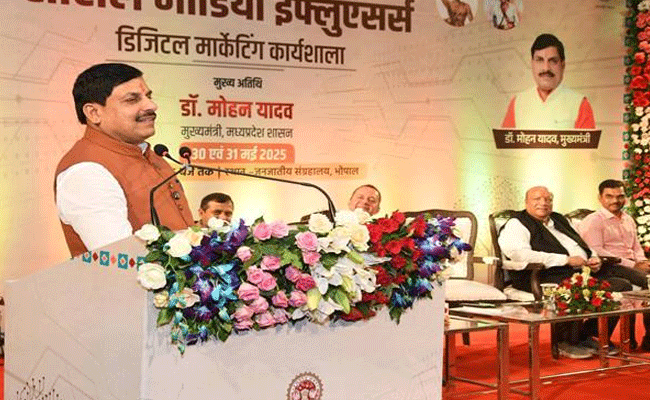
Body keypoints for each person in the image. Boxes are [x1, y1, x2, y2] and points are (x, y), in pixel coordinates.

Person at [55, 63, 194, 257]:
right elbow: (120, 257)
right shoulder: (85, 171)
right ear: (94, 113)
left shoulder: (148, 155)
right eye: (132, 100)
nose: (151, 106)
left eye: (149, 96)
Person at [499, 186, 632, 358]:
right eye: (537, 199)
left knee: (621, 285)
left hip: (578, 272)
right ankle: (564, 341)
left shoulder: (558, 219)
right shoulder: (517, 223)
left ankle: (587, 335)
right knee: (575, 287)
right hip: (538, 276)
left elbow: (580, 243)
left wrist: (593, 257)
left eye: (548, 199)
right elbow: (519, 254)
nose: (543, 203)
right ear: (526, 202)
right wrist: (564, 260)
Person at [578, 179, 650, 351]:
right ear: (600, 198)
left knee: (646, 282)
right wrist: (633, 265)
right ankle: (596, 334)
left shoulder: (628, 219)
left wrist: (642, 261)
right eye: (609, 196)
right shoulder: (594, 221)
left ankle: (648, 340)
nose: (615, 201)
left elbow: (636, 246)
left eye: (620, 196)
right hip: (606, 267)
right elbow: (596, 251)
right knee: (647, 282)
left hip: (630, 267)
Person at [501, 34, 596, 129]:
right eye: (539, 60)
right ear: (532, 64)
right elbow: (505, 138)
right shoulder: (517, 103)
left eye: (553, 61)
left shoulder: (579, 104)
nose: (546, 68)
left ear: (562, 65)